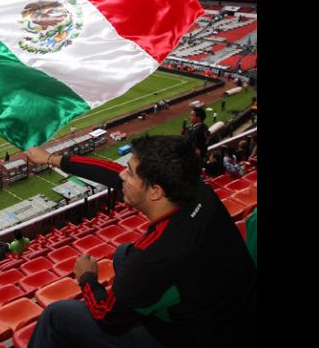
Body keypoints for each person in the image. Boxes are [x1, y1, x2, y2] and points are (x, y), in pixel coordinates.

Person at [26, 135, 256, 347]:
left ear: (155, 191)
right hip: (234, 313)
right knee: (122, 254)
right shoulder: (198, 191)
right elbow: (111, 172)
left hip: (197, 339)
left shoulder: (153, 256)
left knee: (56, 315)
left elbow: (107, 317)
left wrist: (87, 278)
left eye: (130, 172)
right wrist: (51, 159)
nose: (122, 175)